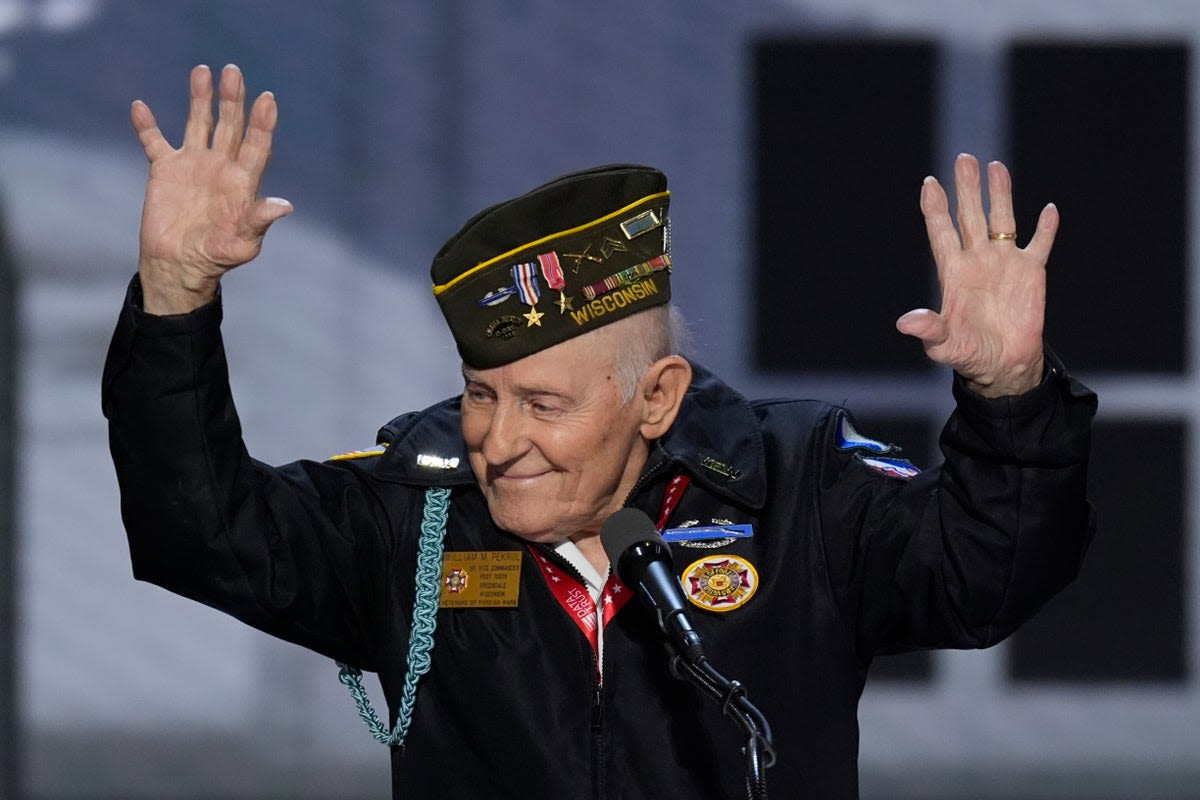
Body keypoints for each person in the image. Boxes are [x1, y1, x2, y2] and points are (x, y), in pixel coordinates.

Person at [103, 64, 1096, 799]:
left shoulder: (802, 490)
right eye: (482, 394)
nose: (497, 438)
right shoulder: (416, 514)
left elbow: (990, 575)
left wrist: (1011, 394)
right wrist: (176, 297)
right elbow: (197, 527)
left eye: (543, 403)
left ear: (656, 397)